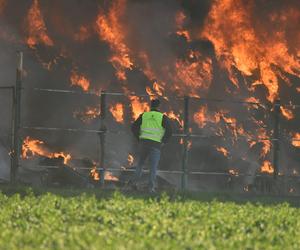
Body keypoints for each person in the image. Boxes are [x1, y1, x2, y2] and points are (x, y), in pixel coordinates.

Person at [131, 99, 172, 192]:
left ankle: (134, 184)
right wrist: (164, 141)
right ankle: (151, 188)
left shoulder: (144, 115)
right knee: (153, 167)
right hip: (156, 145)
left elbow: (133, 127)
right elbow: (169, 131)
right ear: (159, 107)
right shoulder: (162, 117)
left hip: (143, 143)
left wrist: (139, 138)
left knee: (140, 164)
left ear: (150, 106)